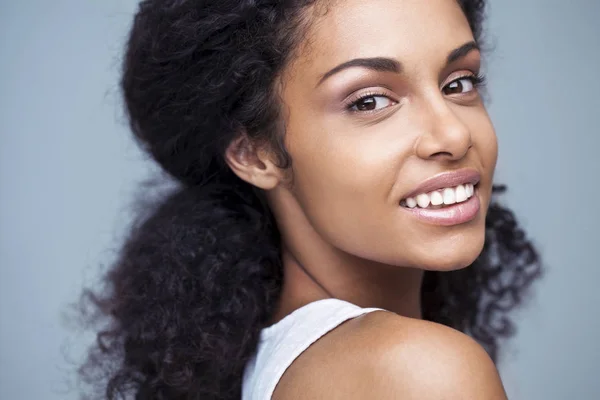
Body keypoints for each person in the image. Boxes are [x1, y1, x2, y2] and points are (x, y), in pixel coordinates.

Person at [79, 0, 542, 398]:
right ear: (256, 153)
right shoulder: (417, 371)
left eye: (459, 82)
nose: (454, 134)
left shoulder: (279, 365)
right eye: (370, 101)